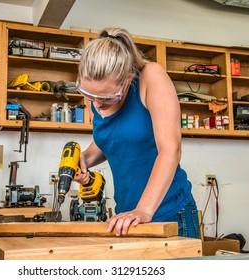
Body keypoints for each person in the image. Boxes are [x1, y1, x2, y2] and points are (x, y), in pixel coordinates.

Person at [74, 27, 200, 239]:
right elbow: (113, 139)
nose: (96, 104)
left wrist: (144, 210)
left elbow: (170, 149)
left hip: (168, 212)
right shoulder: (97, 94)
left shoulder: (150, 76)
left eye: (107, 98)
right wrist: (84, 158)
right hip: (127, 216)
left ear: (127, 78)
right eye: (89, 95)